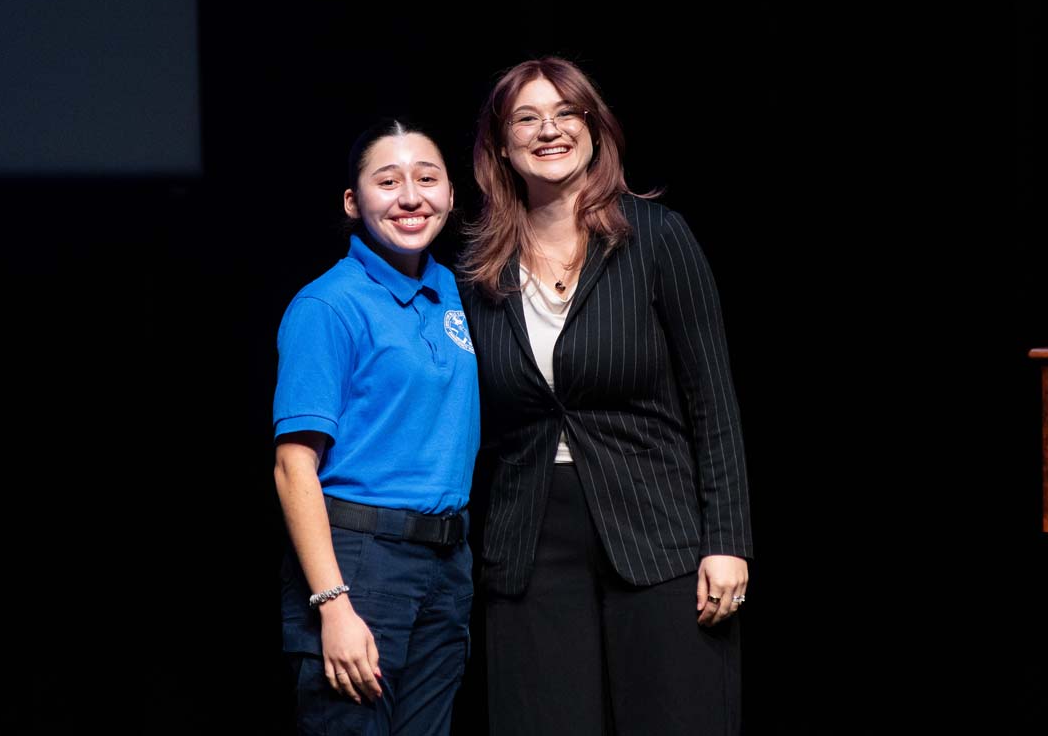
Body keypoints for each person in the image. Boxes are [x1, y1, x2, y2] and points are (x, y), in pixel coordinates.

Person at [459, 57, 753, 735]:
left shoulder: (655, 237)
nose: (549, 130)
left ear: (595, 130)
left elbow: (713, 400)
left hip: (659, 537)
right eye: (526, 119)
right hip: (529, 550)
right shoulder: (478, 267)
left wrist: (729, 541)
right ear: (501, 144)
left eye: (567, 114)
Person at [272, 120, 480, 735]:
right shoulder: (329, 305)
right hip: (361, 562)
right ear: (352, 201)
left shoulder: (455, 292)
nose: (410, 197)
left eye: (427, 179)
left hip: (447, 563)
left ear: (449, 193)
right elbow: (292, 467)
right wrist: (332, 606)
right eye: (387, 182)